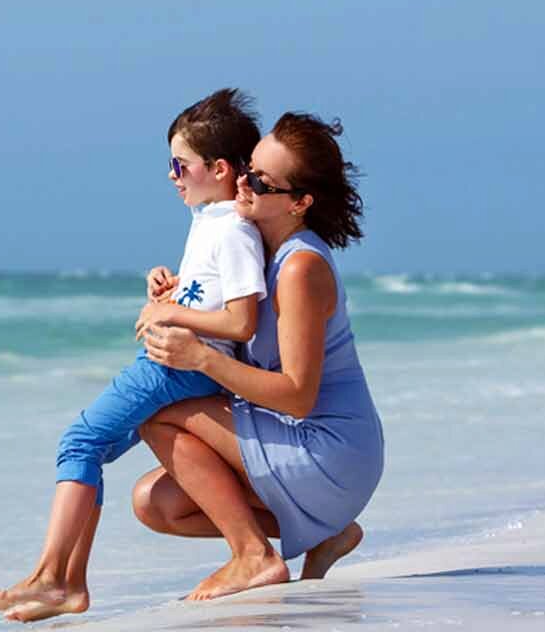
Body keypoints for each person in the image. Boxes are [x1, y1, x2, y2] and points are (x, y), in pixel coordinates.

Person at [0, 88, 267, 623]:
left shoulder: (232, 230)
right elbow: (213, 296)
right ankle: (68, 583)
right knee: (92, 452)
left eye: (179, 165)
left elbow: (240, 322)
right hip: (174, 363)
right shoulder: (211, 220)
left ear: (220, 168)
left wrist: (172, 317)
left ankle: (53, 579)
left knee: (80, 442)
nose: (171, 175)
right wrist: (172, 291)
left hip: (175, 368)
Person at [131, 111, 385, 601]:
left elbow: (297, 397)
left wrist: (200, 359)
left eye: (260, 181)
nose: (242, 183)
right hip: (297, 440)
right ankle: (327, 534)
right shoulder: (260, 253)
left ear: (299, 203)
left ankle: (253, 556)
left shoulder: (300, 268)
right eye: (246, 169)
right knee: (155, 503)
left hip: (329, 448)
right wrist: (177, 291)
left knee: (160, 414)